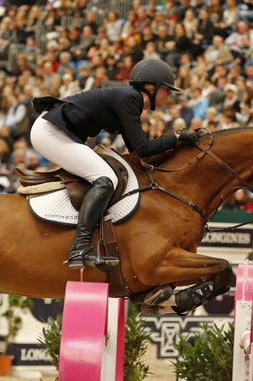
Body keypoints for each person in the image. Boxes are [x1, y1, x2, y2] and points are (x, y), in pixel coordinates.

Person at [29, 58, 196, 271]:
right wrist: (177, 138)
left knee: (107, 175)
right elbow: (144, 148)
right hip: (51, 132)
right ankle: (79, 247)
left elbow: (137, 152)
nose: (169, 96)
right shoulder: (130, 99)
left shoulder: (129, 101)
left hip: (55, 131)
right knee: (106, 179)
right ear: (151, 88)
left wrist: (176, 145)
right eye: (167, 90)